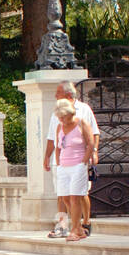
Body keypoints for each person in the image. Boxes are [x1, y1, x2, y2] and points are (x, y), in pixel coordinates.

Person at [43, 82, 100, 237]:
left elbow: (94, 134)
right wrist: (48, 156)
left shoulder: (84, 110)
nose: (55, 96)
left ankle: (84, 223)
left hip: (79, 160)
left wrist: (93, 153)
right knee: (63, 196)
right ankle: (62, 225)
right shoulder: (57, 113)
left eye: (58, 92)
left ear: (69, 95)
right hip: (62, 161)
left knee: (81, 194)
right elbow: (52, 138)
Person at [51, 98, 96, 242]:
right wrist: (58, 163)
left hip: (78, 164)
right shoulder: (59, 127)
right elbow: (58, 146)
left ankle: (75, 229)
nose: (61, 119)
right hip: (64, 166)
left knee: (74, 197)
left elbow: (90, 143)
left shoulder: (81, 123)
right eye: (59, 117)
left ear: (70, 113)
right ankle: (78, 228)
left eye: (63, 116)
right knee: (64, 197)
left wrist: (84, 161)